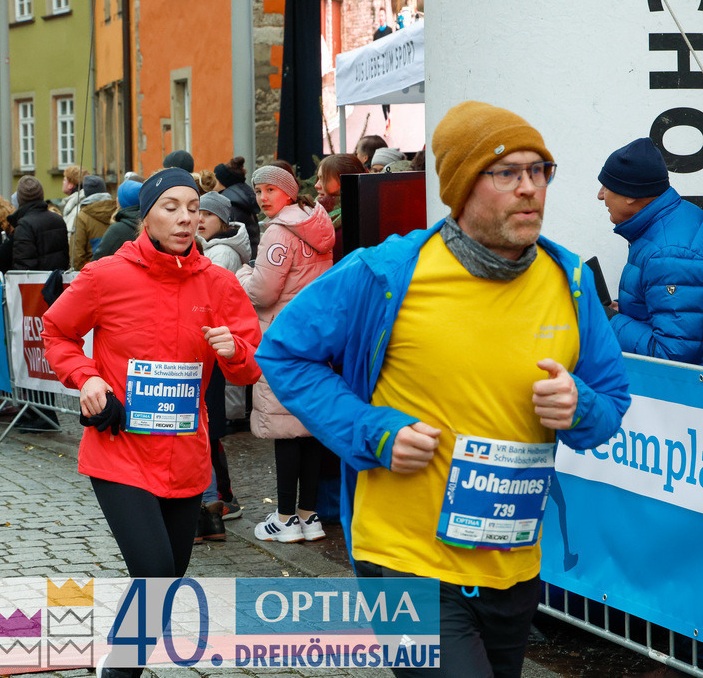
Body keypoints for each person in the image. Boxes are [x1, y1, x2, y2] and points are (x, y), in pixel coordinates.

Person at [255, 101, 631, 677]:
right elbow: (284, 352)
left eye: (539, 171)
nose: (529, 188)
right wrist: (372, 430)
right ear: (460, 186)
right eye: (506, 172)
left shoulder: (570, 281)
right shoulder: (387, 272)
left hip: (512, 567)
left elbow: (611, 403)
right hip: (406, 559)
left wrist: (581, 407)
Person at [41, 166, 262, 592]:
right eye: (171, 207)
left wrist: (235, 350)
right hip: (120, 451)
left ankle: (126, 641)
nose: (185, 218)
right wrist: (87, 378)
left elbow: (251, 366)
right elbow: (57, 332)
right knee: (155, 574)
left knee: (165, 585)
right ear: (146, 216)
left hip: (186, 456)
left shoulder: (218, 283)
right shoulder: (105, 275)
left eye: (194, 208)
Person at [236, 163, 335, 544]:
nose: (263, 198)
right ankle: (309, 515)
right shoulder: (317, 223)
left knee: (285, 428)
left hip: (283, 337)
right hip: (316, 336)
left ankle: (284, 518)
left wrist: (244, 275)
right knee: (308, 426)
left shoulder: (279, 232)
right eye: (259, 191)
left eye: (270, 190)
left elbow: (262, 293)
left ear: (289, 192)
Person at [597, 137, 703, 364]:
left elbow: (673, 356)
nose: (600, 195)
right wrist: (622, 310)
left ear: (630, 194)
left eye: (607, 187)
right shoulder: (674, 218)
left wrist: (605, 320)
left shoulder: (669, 254)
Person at [197, 190, 252, 531]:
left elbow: (207, 302)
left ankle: (219, 500)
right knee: (210, 431)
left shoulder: (219, 254)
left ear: (222, 220)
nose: (200, 219)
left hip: (216, 351)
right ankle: (218, 499)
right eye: (198, 213)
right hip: (215, 351)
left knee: (209, 431)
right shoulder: (215, 249)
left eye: (207, 214)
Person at [9, 175, 69, 271]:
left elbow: (23, 266)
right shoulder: (58, 219)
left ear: (20, 199)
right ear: (41, 194)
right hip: (58, 278)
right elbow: (65, 257)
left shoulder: (24, 225)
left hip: (36, 280)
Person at [315, 153, 366, 262]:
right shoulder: (316, 211)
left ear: (343, 180)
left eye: (324, 179)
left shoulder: (357, 218)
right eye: (318, 178)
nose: (317, 185)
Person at [213, 156, 261, 259]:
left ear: (224, 182)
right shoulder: (240, 200)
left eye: (215, 179)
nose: (212, 183)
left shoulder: (230, 205)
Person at [69, 175, 116, 271]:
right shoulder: (117, 211)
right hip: (117, 269)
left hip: (93, 272)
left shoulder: (82, 217)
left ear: (86, 193)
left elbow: (76, 255)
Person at [93, 178, 142, 261]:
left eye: (118, 196)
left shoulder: (117, 230)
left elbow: (97, 261)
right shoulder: (151, 224)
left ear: (122, 201)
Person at [60, 165, 89, 234]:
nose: (63, 182)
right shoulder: (80, 202)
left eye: (64, 180)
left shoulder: (76, 209)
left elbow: (70, 235)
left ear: (70, 185)